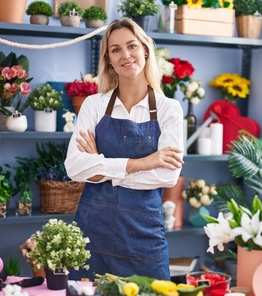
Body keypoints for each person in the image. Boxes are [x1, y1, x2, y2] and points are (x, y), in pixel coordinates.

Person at [65, 18, 184, 281]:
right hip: (93, 232)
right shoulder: (94, 105)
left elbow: (167, 176)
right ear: (108, 59)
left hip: (144, 235)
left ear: (145, 50)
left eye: (132, 46)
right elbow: (74, 168)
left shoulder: (168, 109)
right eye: (115, 49)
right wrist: (141, 163)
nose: (125, 55)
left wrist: (100, 165)